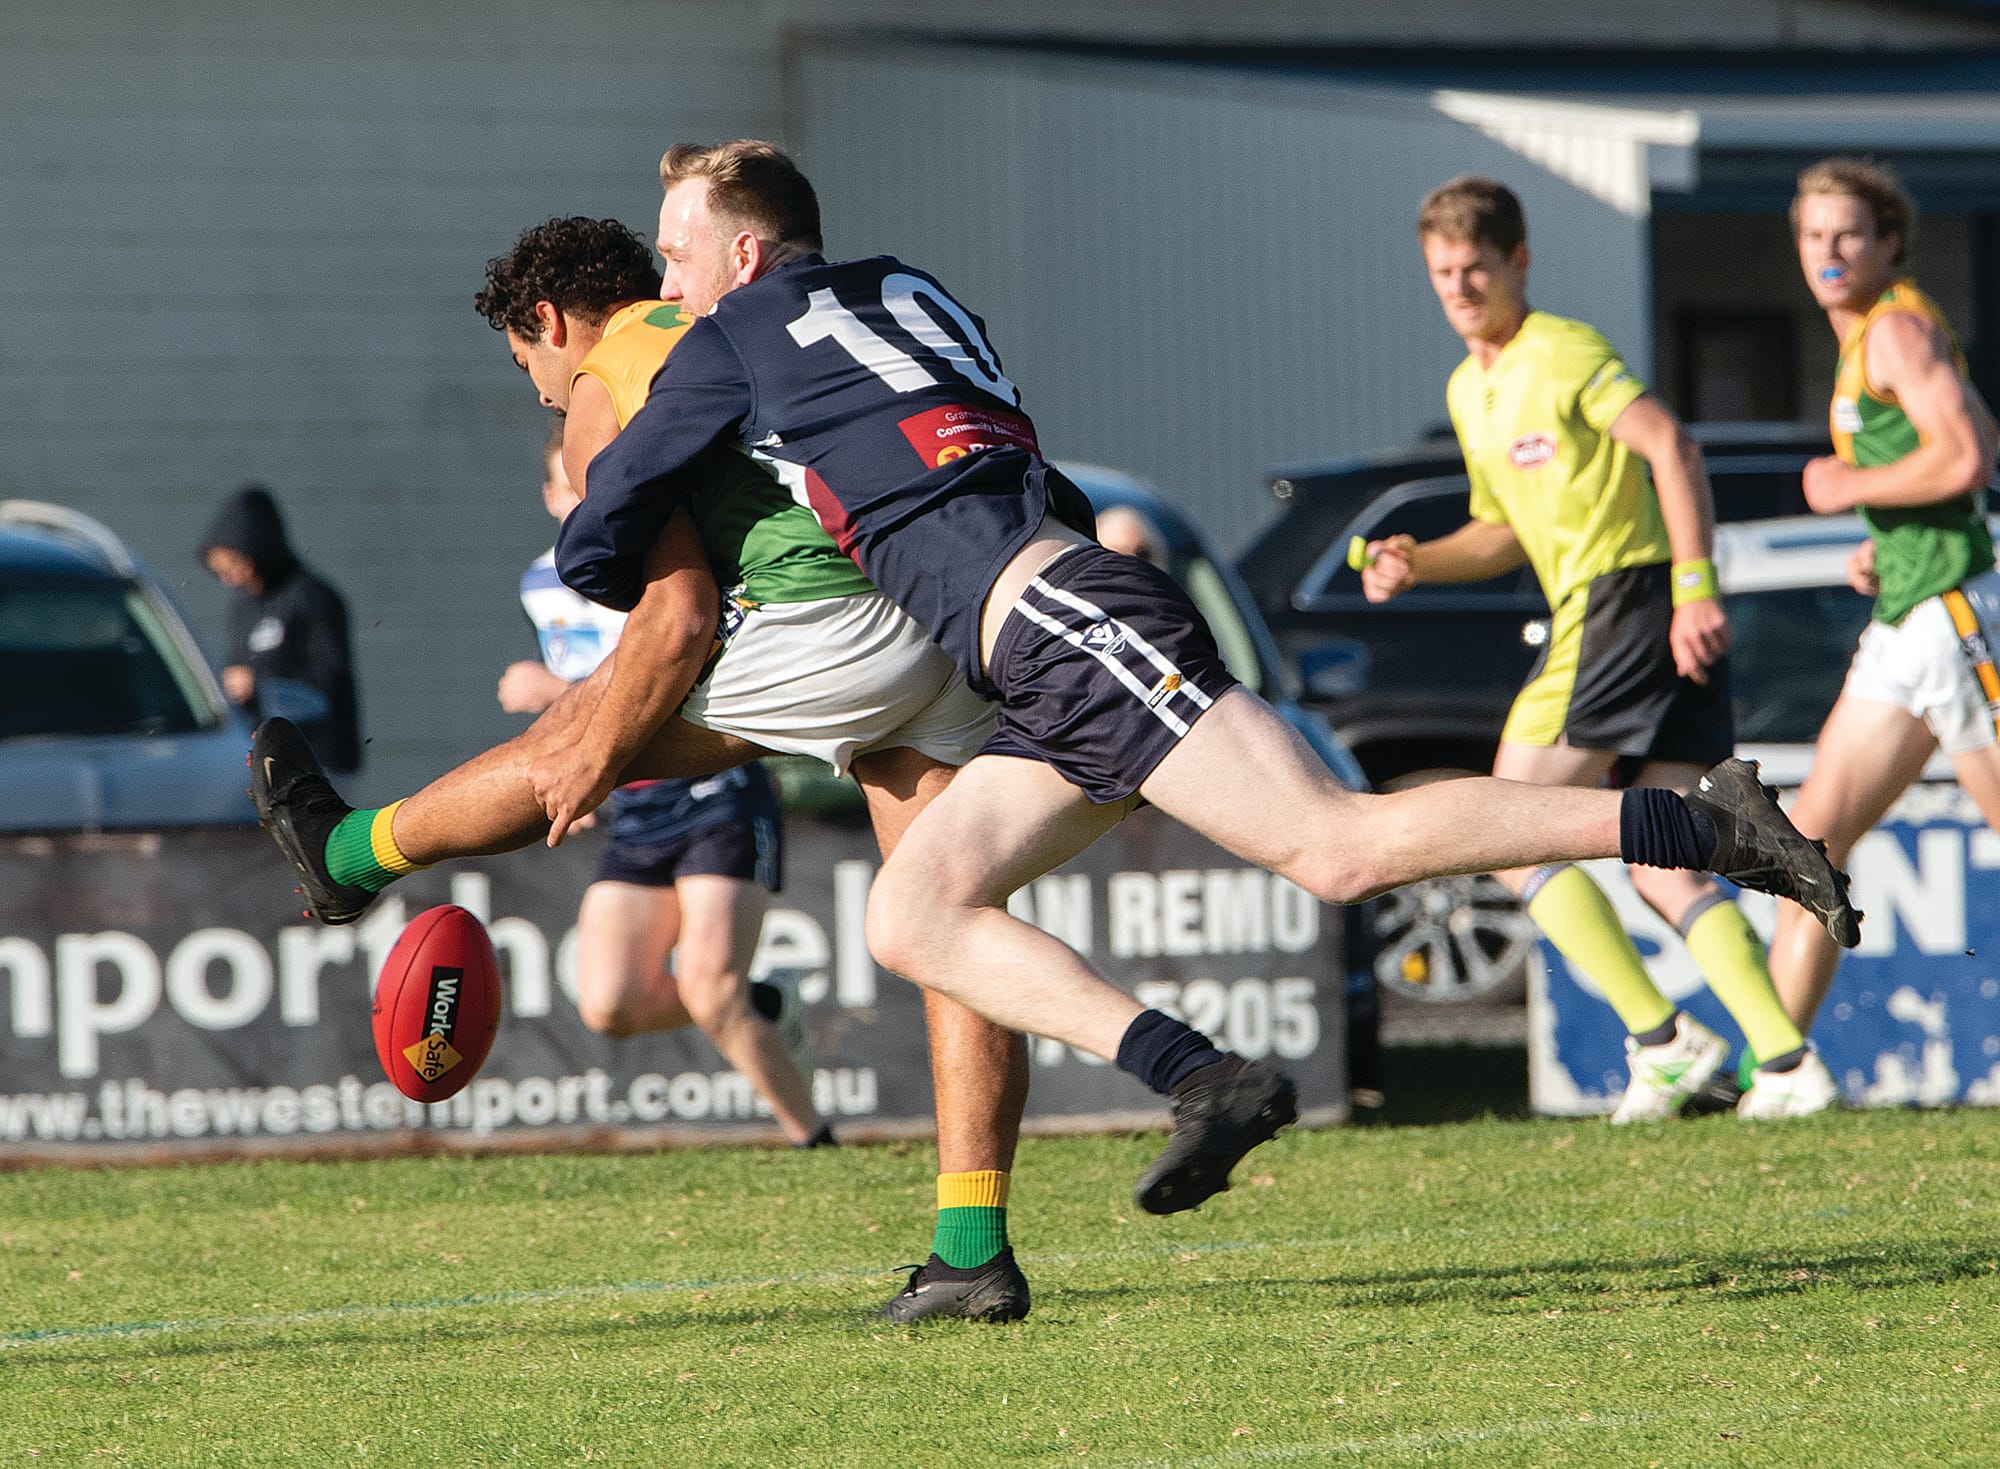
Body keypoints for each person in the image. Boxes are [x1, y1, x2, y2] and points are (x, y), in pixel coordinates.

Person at [258, 142, 1854, 1259]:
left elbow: (625, 523)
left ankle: (1694, 817)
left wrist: (599, 559)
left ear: (742, 256)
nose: (663, 275)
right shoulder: (906, 289)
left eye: (677, 245)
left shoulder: (729, 323)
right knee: (918, 910)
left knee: (1336, 849)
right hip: (1032, 637)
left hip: (1052, 621)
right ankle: (1193, 1075)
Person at [257, 214, 1031, 1323]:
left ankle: (351, 851)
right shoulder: (729, 317)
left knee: (572, 731)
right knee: (954, 927)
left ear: (554, 321)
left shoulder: (603, 382)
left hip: (832, 624)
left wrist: (600, 754)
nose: (536, 391)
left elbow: (676, 615)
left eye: (526, 360)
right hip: (939, 594)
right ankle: (973, 1247)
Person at [1358, 176, 1837, 1122]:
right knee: (1664, 859)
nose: (1459, 288)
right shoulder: (1470, 387)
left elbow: (1674, 449)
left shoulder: (1564, 351)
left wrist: (1695, 587)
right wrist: (1420, 561)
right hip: (1620, 607)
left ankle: (1662, 1041)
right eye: (1442, 273)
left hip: (1626, 600)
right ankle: (1786, 1063)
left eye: (1476, 270)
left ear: (1519, 263)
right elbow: (1497, 530)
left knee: (1497, 829)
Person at [505, 421, 828, 1146]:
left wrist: (555, 692)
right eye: (571, 481)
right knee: (609, 1003)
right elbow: (597, 698)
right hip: (637, 802)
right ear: (553, 493)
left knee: (711, 987)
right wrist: (574, 763)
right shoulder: (539, 584)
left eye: (597, 475)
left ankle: (815, 1140)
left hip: (715, 785)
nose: (586, 493)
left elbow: (668, 668)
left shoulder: (663, 559)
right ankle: (769, 1001)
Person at [1764, 157, 2000, 1038]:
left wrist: (1843, 486)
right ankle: (1778, 1071)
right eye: (1813, 235)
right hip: (1908, 611)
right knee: (1811, 842)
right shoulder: (1874, 334)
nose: (1828, 250)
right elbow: (1977, 438)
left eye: (1848, 234)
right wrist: (1886, 536)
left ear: (1888, 243)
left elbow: (1968, 458)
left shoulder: (1896, 330)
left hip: (1953, 610)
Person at [200, 484, 361, 772]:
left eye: (234, 565)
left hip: (319, 760)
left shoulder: (310, 597)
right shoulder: (243, 608)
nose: (229, 579)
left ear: (257, 548)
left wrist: (258, 684)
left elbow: (329, 677)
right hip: (268, 760)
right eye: (221, 572)